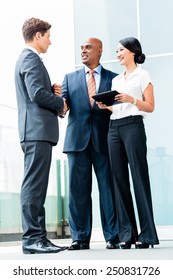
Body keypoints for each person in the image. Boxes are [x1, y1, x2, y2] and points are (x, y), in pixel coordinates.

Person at [97, 37, 159, 249]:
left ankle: (148, 234)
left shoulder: (143, 75)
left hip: (133, 126)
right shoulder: (116, 80)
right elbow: (117, 107)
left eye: (121, 50)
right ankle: (127, 233)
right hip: (114, 127)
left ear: (133, 51)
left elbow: (150, 106)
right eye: (116, 51)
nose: (118, 54)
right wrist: (106, 106)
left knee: (139, 177)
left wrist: (131, 99)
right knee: (119, 179)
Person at [14, 17, 68, 254]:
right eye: (48, 36)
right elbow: (36, 93)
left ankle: (39, 238)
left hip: (37, 131)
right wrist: (60, 101)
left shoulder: (30, 60)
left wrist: (52, 93)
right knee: (34, 186)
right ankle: (32, 239)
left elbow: (37, 92)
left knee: (37, 186)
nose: (50, 41)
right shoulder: (30, 58)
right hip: (36, 131)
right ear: (38, 36)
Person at [61, 37, 119, 250]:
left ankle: (112, 236)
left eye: (88, 48)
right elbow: (64, 106)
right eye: (81, 48)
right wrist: (60, 105)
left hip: (105, 141)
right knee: (78, 192)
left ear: (100, 51)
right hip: (77, 142)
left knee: (108, 190)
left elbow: (119, 108)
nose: (83, 51)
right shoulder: (69, 78)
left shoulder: (115, 79)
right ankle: (79, 237)